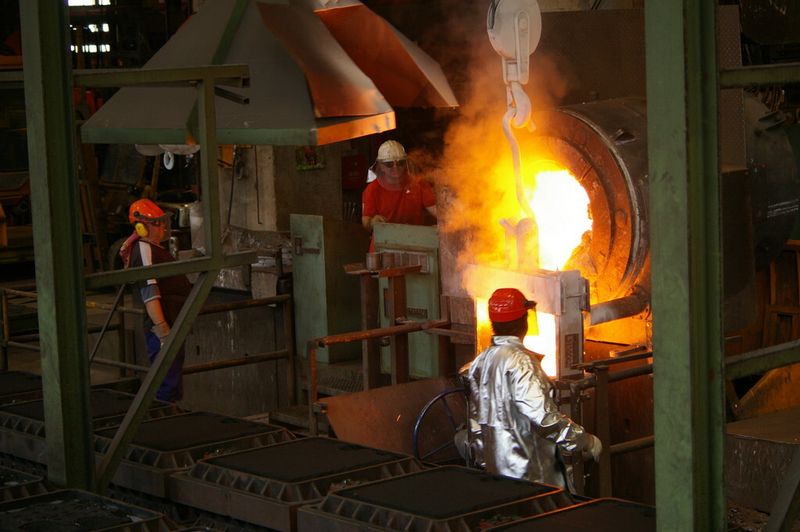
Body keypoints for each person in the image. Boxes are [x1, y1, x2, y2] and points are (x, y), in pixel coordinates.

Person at [461, 287, 602, 490]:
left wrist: (487, 464)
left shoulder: (480, 362)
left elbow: (476, 423)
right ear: (524, 322)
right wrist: (583, 440)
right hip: (533, 478)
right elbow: (543, 418)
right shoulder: (522, 363)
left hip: (498, 477)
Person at [120, 198, 192, 402]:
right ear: (141, 227)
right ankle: (163, 413)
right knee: (166, 379)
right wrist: (162, 329)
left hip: (172, 322)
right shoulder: (143, 250)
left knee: (171, 378)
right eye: (157, 223)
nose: (162, 228)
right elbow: (149, 292)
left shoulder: (153, 248)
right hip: (162, 327)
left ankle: (169, 412)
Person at [361, 140, 437, 250]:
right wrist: (372, 222)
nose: (395, 167)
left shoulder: (418, 184)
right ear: (381, 166)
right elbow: (365, 220)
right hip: (384, 245)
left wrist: (448, 222)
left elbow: (436, 210)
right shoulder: (372, 189)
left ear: (405, 164)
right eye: (389, 164)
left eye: (400, 163)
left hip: (413, 243)